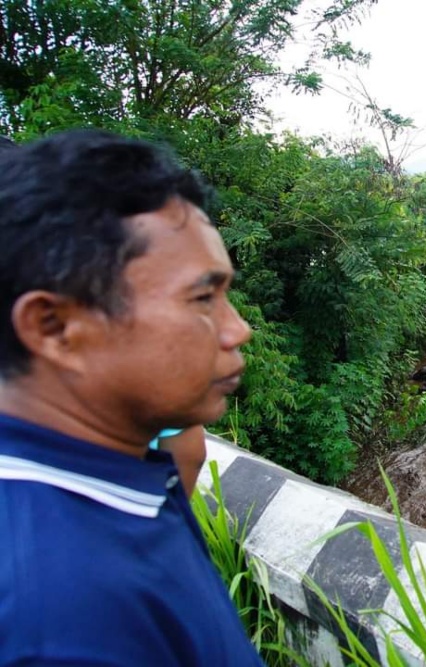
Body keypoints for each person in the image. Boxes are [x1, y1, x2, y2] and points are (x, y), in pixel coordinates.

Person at [0, 130, 264, 666]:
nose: (239, 331)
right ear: (55, 328)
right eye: (203, 298)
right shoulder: (66, 618)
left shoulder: (116, 478)